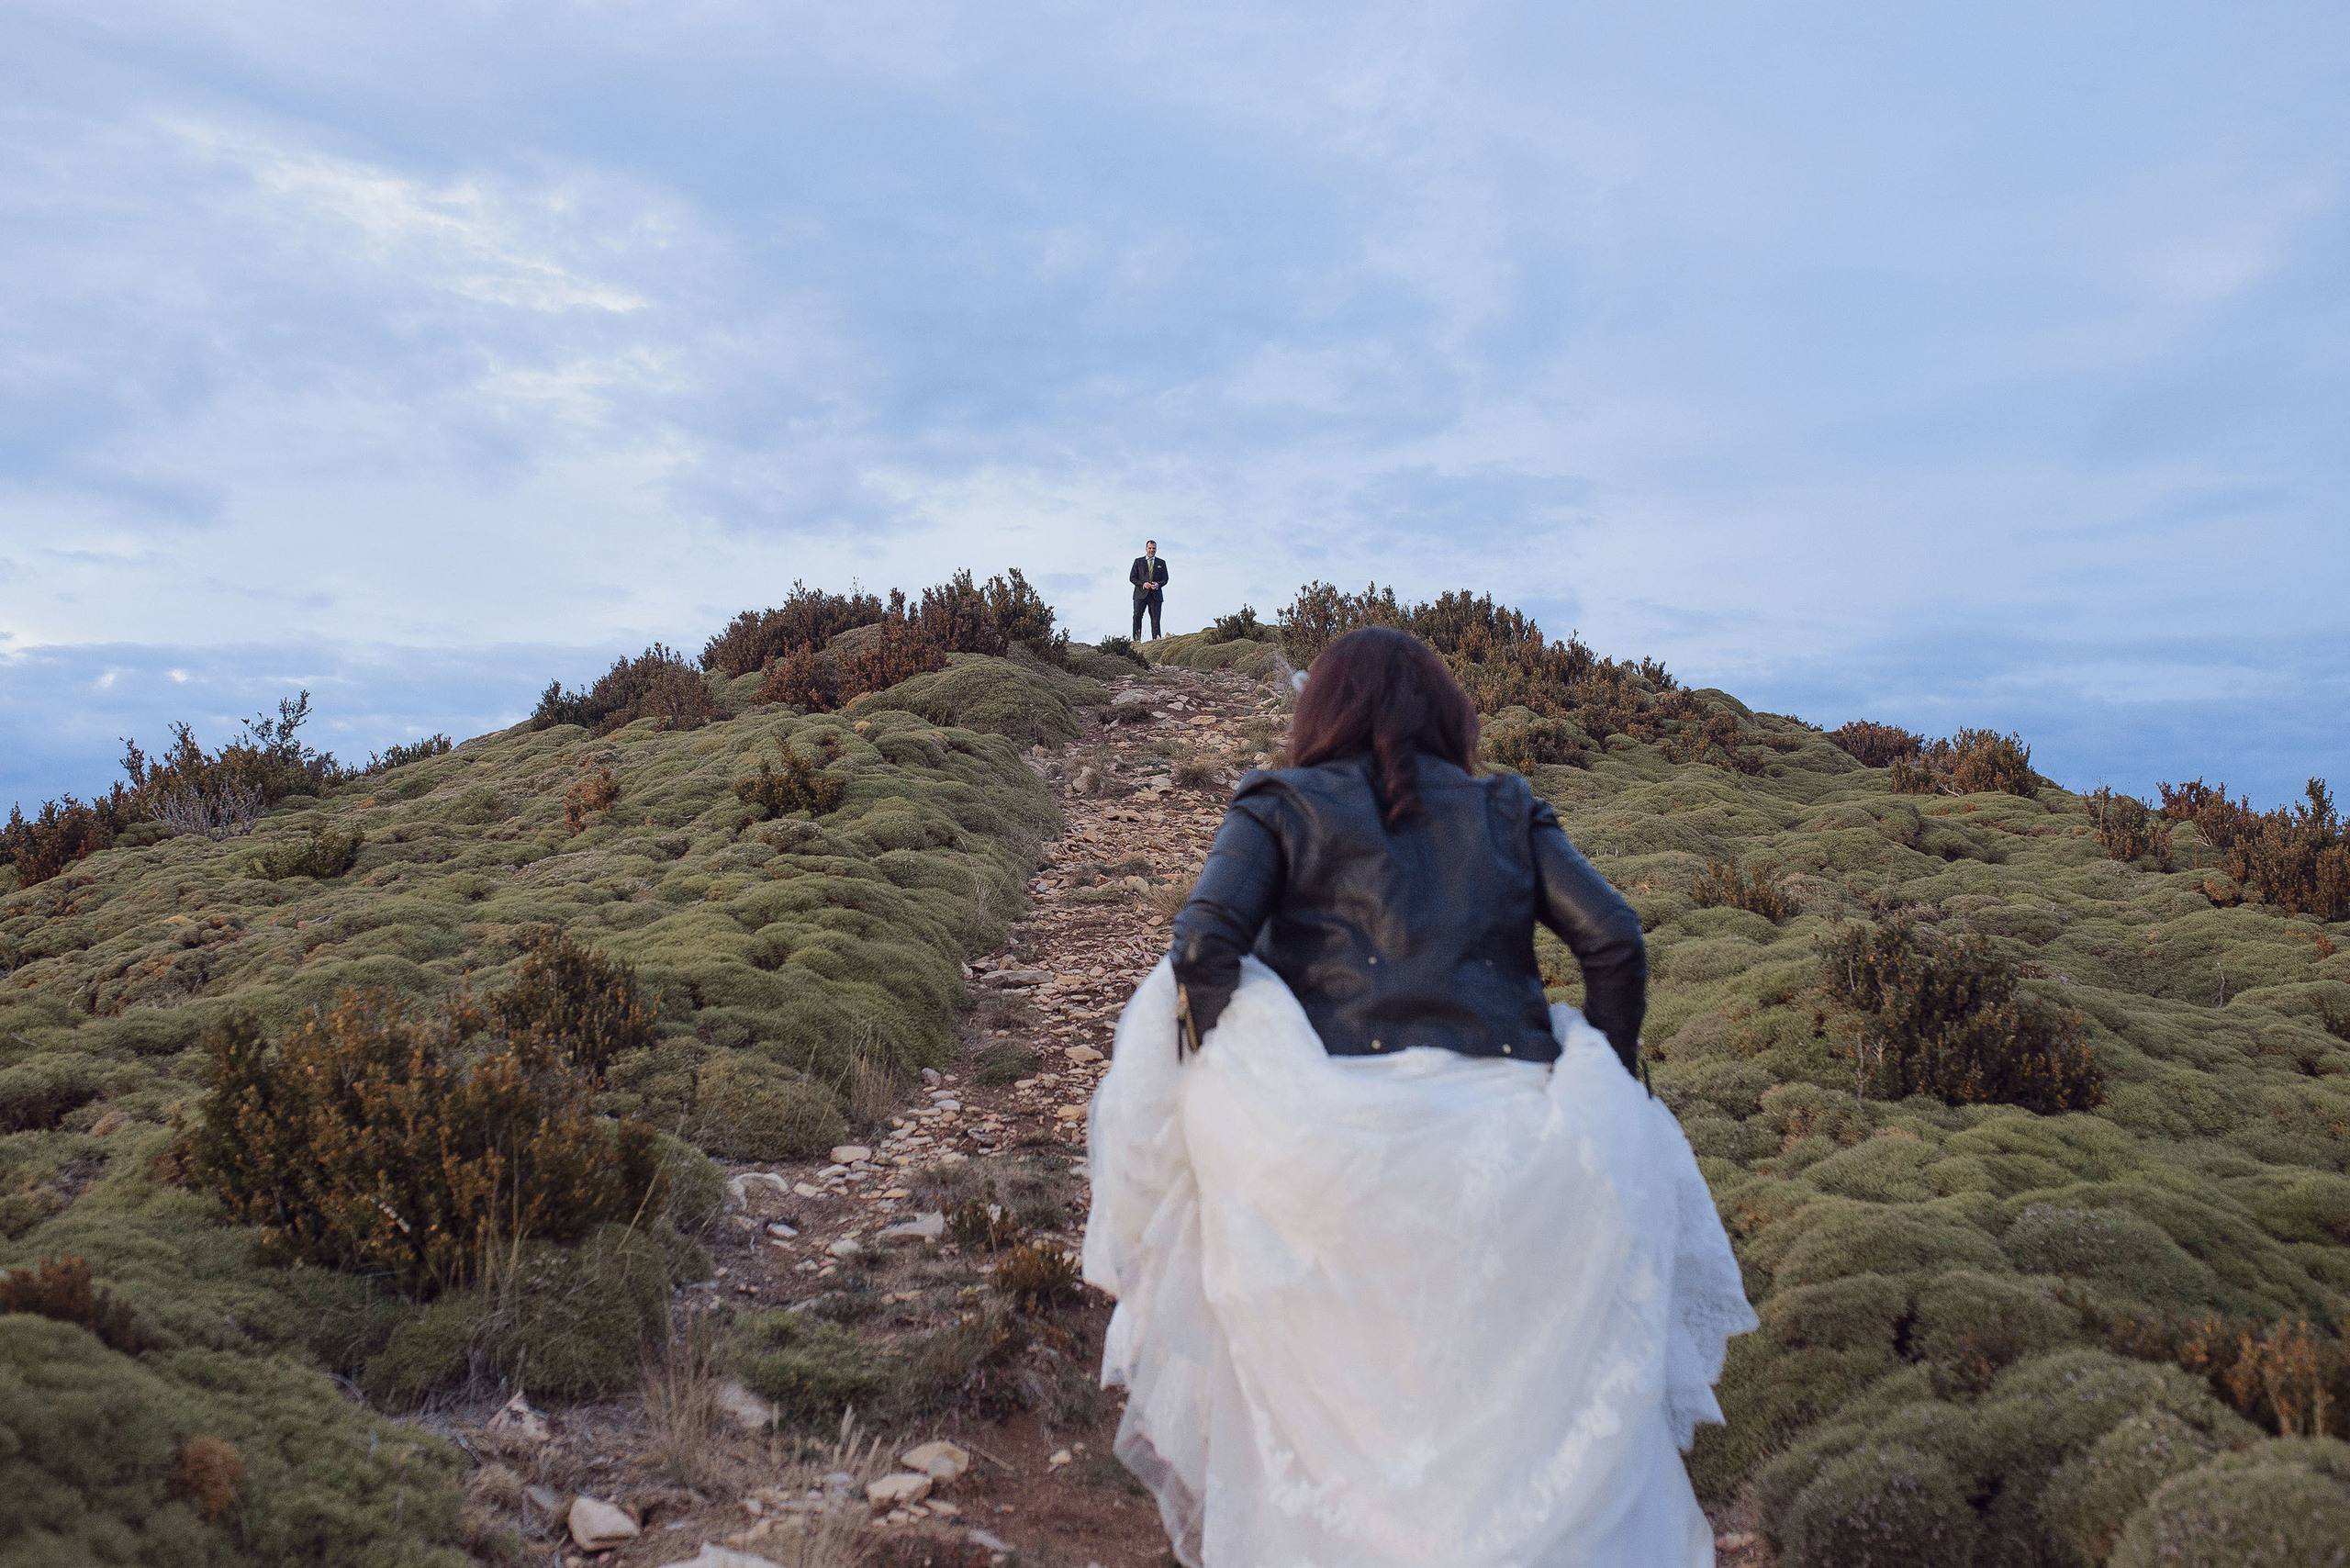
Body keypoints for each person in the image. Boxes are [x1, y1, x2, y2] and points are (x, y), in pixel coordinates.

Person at [1082, 626, 1756, 1568]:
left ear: (1321, 711)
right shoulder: (1507, 807)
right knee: (1510, 1397)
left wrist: (1246, 1087)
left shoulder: (1278, 803)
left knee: (1342, 1388)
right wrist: (1601, 1079)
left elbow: (1201, 946)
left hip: (1332, 1149)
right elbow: (1613, 940)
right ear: (1448, 714)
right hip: (1514, 1145)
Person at [1129, 540, 1169, 640]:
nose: (1152, 550)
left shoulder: (1161, 563)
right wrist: (1143, 584)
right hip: (1140, 595)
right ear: (1146, 548)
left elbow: (1165, 579)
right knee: (1137, 617)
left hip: (1156, 596)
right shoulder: (1138, 561)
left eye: (1154, 548)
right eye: (1150, 548)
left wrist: (1158, 584)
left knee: (1156, 620)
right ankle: (1136, 641)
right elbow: (1132, 577)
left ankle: (1156, 641)